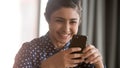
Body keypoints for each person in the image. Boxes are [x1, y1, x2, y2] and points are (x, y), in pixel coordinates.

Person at [13, 0, 104, 68]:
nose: (66, 29)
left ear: (79, 22)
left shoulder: (85, 55)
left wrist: (99, 64)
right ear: (47, 19)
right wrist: (48, 66)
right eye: (59, 21)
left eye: (73, 22)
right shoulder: (28, 51)